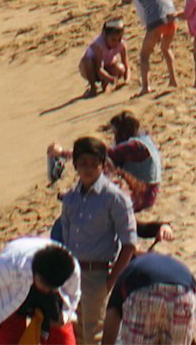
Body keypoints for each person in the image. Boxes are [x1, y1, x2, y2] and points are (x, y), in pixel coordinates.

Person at [50, 136, 138, 334]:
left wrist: (110, 282)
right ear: (75, 166)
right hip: (72, 275)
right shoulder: (71, 199)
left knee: (95, 333)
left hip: (97, 275)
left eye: (93, 163)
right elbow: (64, 239)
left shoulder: (114, 198)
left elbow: (130, 243)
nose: (87, 168)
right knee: (75, 332)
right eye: (82, 163)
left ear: (103, 165)